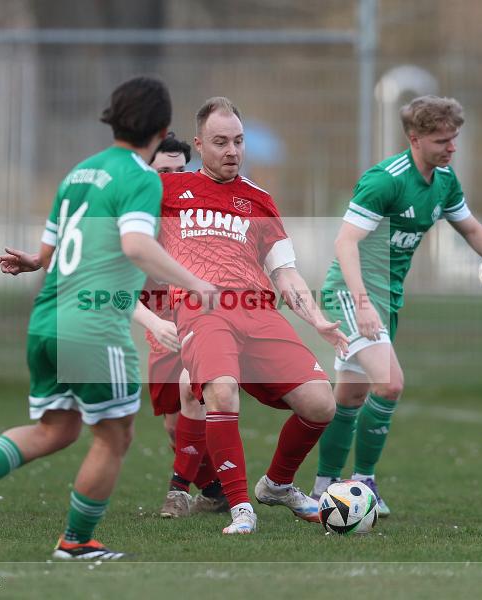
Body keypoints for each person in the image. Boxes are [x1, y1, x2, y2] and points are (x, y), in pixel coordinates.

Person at [0, 76, 215, 561]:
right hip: (93, 325)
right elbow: (135, 245)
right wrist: (197, 282)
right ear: (162, 127)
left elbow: (50, 247)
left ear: (114, 118)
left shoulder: (79, 173)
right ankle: (77, 541)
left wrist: (35, 262)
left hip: (47, 318)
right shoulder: (142, 179)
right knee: (115, 436)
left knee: (56, 430)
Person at [311, 95, 482, 515]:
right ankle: (364, 483)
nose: (451, 148)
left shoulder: (445, 180)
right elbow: (345, 243)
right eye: (442, 141)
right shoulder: (385, 181)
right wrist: (362, 304)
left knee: (349, 398)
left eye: (454, 139)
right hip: (353, 289)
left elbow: (470, 229)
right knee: (391, 383)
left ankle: (320, 489)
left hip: (388, 296)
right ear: (414, 139)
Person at [158, 96, 349, 535]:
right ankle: (242, 507)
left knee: (322, 405)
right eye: (221, 142)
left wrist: (317, 319)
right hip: (202, 311)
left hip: (256, 312)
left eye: (239, 141)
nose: (232, 151)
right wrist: (42, 258)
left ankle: (278, 485)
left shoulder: (259, 200)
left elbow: (285, 272)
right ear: (199, 145)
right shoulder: (167, 192)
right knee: (221, 393)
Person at [130, 133, 228, 518]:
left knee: (196, 395)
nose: (172, 179)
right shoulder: (134, 225)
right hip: (160, 331)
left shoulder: (197, 218)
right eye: (162, 172)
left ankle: (179, 493)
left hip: (199, 323)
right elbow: (116, 289)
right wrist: (153, 322)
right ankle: (216, 490)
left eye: (178, 170)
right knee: (175, 429)